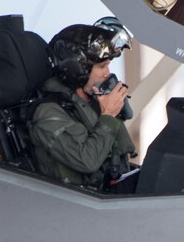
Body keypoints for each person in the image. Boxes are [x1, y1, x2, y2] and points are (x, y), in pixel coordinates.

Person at [30, 21, 135, 190]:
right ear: (77, 70)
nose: (107, 73)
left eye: (108, 66)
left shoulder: (91, 104)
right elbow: (87, 161)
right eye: (101, 67)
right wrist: (108, 116)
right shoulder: (47, 113)